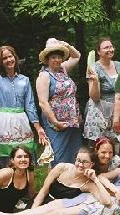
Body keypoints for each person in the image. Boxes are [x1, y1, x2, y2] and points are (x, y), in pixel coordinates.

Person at [5, 146, 118, 215]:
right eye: (78, 160)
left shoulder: (89, 184)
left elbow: (107, 201)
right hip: (43, 200)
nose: (80, 164)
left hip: (58, 210)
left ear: (92, 164)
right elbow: (44, 190)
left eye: (84, 162)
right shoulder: (62, 167)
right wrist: (32, 211)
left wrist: (96, 180)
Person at [36, 38, 82, 167]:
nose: (57, 60)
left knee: (74, 153)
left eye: (59, 57)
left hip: (72, 121)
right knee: (59, 155)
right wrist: (56, 122)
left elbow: (77, 56)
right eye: (53, 57)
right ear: (47, 59)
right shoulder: (44, 76)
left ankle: (73, 184)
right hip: (56, 124)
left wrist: (66, 44)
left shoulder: (63, 69)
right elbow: (43, 103)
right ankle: (57, 184)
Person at [83, 37, 120, 149]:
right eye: (106, 47)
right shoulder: (93, 68)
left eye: (111, 47)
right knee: (98, 146)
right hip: (99, 112)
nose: (110, 49)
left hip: (116, 110)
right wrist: (96, 81)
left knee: (116, 145)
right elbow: (94, 97)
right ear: (98, 51)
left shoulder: (118, 65)